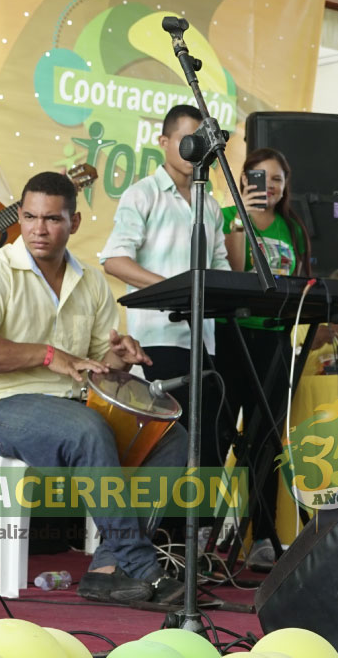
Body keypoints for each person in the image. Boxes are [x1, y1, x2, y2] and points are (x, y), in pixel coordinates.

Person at [0, 172, 185, 604]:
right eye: (31, 217)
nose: (39, 229)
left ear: (73, 223)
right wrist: (49, 355)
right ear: (19, 217)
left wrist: (119, 356)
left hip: (69, 406)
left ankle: (107, 569)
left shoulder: (90, 281)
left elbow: (96, 363)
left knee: (169, 434)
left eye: (52, 219)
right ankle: (142, 566)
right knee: (87, 429)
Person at [102, 105, 231, 486]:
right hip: (158, 339)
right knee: (173, 439)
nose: (196, 152)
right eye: (188, 141)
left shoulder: (210, 204)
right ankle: (164, 536)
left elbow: (219, 267)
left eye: (203, 145)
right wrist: (173, 292)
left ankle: (197, 536)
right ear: (163, 142)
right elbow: (114, 259)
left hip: (203, 339)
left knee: (210, 437)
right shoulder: (142, 195)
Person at [217, 148, 311, 570]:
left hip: (275, 341)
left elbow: (300, 286)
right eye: (259, 178)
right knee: (218, 435)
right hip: (232, 337)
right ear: (242, 181)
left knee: (266, 440)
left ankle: (262, 535)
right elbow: (236, 271)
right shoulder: (223, 217)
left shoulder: (293, 227)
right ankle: (203, 529)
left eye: (277, 179)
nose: (269, 187)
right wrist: (240, 221)